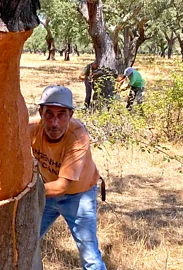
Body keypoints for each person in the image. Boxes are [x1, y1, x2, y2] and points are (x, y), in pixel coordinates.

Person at [29, 85, 107, 270]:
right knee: (24, 242)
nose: (54, 123)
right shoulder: (30, 128)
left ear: (70, 115)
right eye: (49, 114)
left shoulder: (78, 136)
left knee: (90, 255)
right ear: (40, 112)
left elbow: (62, 186)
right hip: (47, 193)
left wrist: (22, 190)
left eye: (61, 114)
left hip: (78, 196)